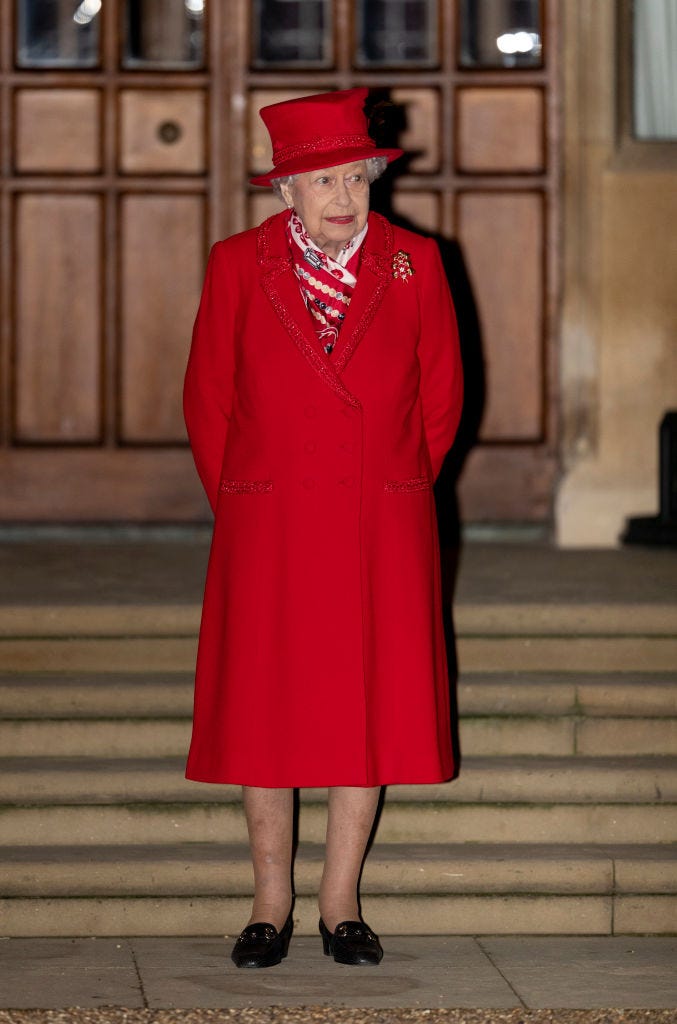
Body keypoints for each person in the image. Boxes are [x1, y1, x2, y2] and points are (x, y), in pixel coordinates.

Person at [183, 88, 463, 969]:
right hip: (269, 521)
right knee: (264, 708)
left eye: (356, 176)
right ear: (284, 191)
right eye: (320, 179)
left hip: (379, 516)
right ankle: (269, 901)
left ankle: (340, 901)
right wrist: (244, 499)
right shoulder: (237, 263)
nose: (342, 196)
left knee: (364, 707)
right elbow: (207, 397)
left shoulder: (416, 261)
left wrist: (396, 485)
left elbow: (441, 396)